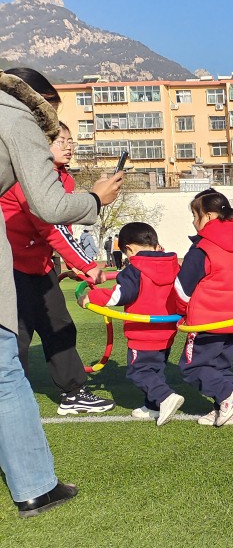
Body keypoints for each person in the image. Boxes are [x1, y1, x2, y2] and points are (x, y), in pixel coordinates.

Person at [0, 66, 122, 517]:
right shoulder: (16, 118)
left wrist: (79, 263)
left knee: (39, 342)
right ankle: (34, 486)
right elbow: (49, 214)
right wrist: (96, 200)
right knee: (7, 369)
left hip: (33, 268)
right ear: (39, 102)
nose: (58, 137)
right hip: (16, 270)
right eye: (56, 128)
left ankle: (71, 392)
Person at [1, 121, 115, 415]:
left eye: (70, 140)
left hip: (40, 268)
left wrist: (71, 262)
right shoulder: (25, 177)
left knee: (60, 328)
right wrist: (86, 264)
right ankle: (9, 399)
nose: (68, 146)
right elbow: (50, 227)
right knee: (16, 337)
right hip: (11, 269)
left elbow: (60, 228)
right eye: (59, 141)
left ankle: (73, 392)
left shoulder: (61, 179)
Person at [80, 222, 183, 426]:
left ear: (129, 248)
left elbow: (120, 295)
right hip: (166, 330)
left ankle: (165, 396)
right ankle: (153, 406)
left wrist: (90, 297)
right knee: (156, 369)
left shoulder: (135, 269)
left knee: (139, 371)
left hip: (143, 332)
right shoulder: (173, 266)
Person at [174, 189, 233, 428]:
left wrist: (181, 312)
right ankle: (224, 407)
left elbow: (182, 289)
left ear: (207, 216)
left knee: (191, 367)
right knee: (220, 365)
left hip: (206, 320)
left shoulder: (203, 248)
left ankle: (227, 395)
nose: (193, 222)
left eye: (195, 216)